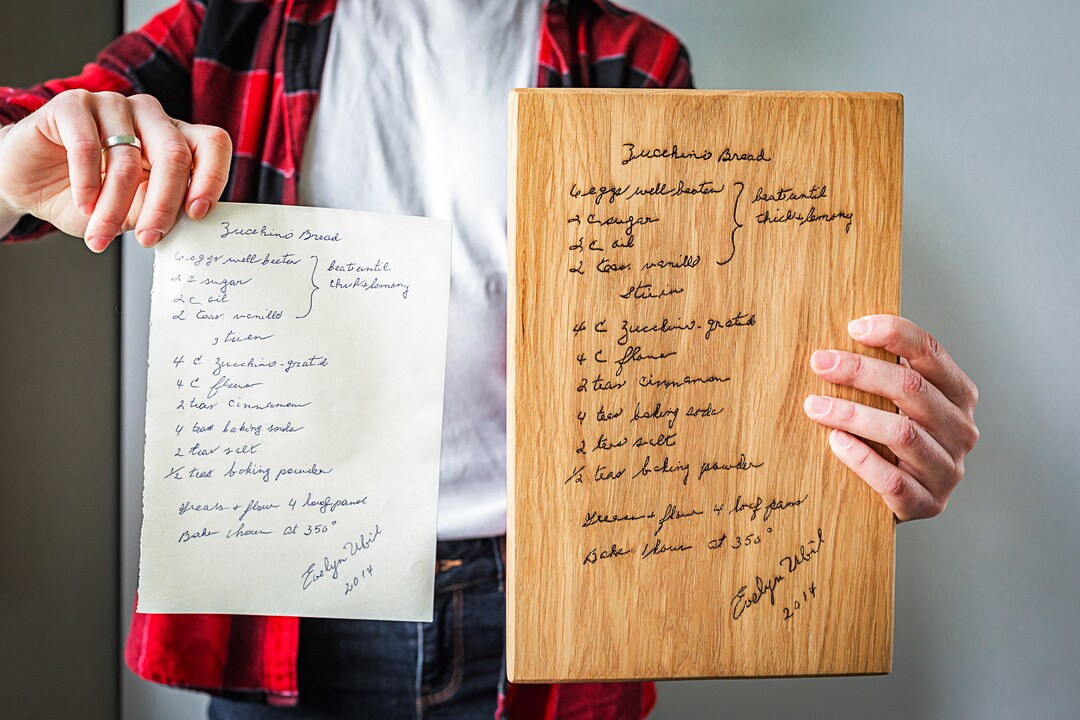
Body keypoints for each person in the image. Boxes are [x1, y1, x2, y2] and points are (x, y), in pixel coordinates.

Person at [0, 1, 980, 718]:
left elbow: (704, 359)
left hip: (547, 609)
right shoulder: (232, 24)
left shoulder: (631, 58)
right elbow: (30, 145)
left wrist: (853, 460)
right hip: (291, 613)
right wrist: (8, 172)